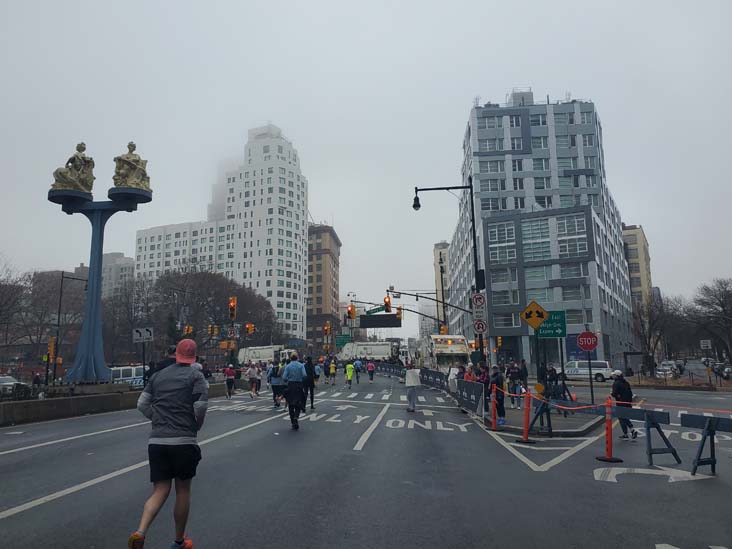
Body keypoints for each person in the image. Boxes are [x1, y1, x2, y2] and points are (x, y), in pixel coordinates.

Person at [128, 338, 208, 549]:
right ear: (194, 356)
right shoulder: (196, 376)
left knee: (160, 490)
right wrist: (195, 426)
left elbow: (141, 404)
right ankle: (179, 541)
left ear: (176, 354)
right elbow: (199, 407)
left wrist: (157, 418)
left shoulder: (157, 376)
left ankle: (140, 531)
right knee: (182, 490)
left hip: (157, 441)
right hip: (183, 440)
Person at [282, 354, 307, 430]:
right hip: (298, 385)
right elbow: (304, 375)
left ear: (291, 358)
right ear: (297, 358)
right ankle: (296, 416)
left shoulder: (288, 366)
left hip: (290, 385)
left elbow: (284, 377)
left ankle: (293, 421)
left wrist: (287, 380)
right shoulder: (301, 365)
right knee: (298, 402)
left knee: (290, 403)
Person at [611, 370, 638, 440]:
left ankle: (631, 430)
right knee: (624, 417)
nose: (613, 376)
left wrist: (614, 394)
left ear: (617, 376)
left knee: (622, 418)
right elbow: (630, 393)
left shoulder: (616, 383)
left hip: (620, 403)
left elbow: (614, 393)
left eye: (614, 375)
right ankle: (627, 433)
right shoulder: (626, 382)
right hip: (628, 403)